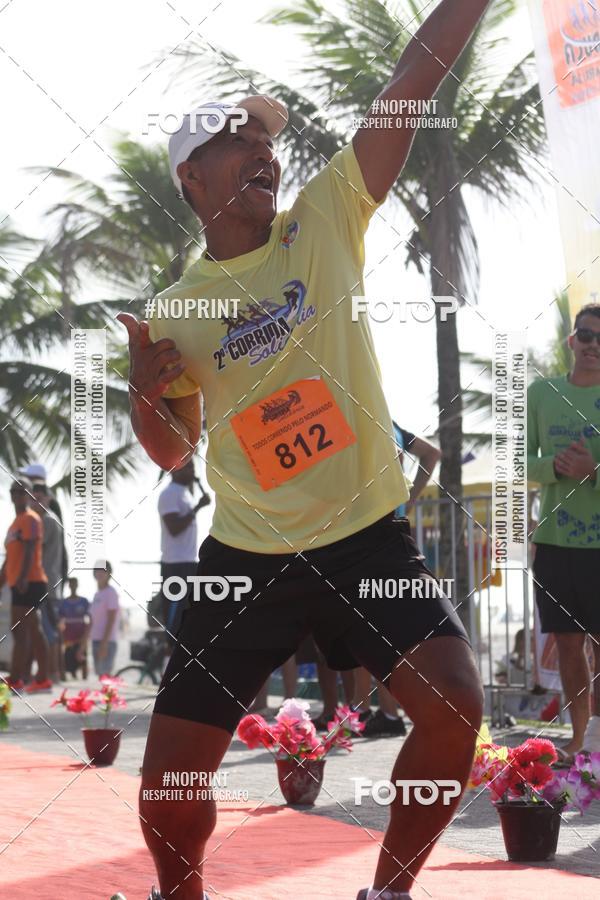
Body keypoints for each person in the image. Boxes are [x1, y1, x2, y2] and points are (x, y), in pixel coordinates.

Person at [119, 5, 488, 897]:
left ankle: (389, 889)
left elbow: (411, 85)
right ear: (193, 182)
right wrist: (142, 390)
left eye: (266, 138)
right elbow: (172, 451)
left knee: (456, 712)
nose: (263, 148)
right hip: (247, 558)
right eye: (235, 140)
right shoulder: (174, 311)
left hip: (364, 535)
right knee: (168, 786)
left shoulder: (322, 219)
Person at [528, 303, 600, 763]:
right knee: (570, 645)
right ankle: (579, 741)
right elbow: (514, 459)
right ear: (572, 341)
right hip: (554, 542)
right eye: (587, 335)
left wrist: (593, 470)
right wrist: (552, 466)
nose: (594, 345)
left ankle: (597, 741)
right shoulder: (540, 393)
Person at [354, 424, 442, 737]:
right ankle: (368, 710)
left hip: (371, 534)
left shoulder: (364, 420)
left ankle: (382, 713)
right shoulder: (392, 423)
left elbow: (432, 454)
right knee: (379, 628)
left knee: (373, 628)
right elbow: (432, 454)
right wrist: (411, 497)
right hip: (392, 531)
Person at [0, 477, 51, 692]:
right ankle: (16, 677)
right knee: (18, 630)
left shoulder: (31, 519)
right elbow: (9, 558)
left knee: (33, 628)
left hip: (31, 581)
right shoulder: (14, 523)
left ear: (29, 495)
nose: (16, 495)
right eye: (13, 491)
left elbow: (30, 550)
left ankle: (42, 678)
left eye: (21, 492)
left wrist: (21, 577)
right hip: (17, 583)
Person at [157, 459, 210, 639]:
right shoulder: (169, 494)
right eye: (189, 467)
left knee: (188, 619)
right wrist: (198, 508)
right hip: (175, 566)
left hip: (188, 563)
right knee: (174, 623)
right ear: (175, 470)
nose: (193, 471)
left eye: (193, 467)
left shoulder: (184, 493)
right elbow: (174, 529)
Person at [31, 483, 64, 683]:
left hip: (47, 584)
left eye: (38, 498)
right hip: (49, 583)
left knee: (48, 631)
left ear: (47, 499)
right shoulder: (49, 519)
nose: (35, 502)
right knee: (51, 630)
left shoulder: (48, 521)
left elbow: (35, 549)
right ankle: (55, 673)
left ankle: (51, 674)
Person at [90, 562, 120, 676]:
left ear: (109, 573)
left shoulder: (111, 592)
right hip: (95, 640)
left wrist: (104, 643)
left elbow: (111, 619)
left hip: (107, 641)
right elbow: (92, 620)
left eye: (103, 570)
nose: (100, 573)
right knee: (100, 675)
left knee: (105, 676)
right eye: (97, 570)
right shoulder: (97, 594)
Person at [58, 577, 90, 679]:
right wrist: (62, 635)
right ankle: (72, 676)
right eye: (71, 584)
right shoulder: (64, 602)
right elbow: (60, 620)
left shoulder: (84, 601)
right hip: (68, 635)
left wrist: (86, 635)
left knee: (83, 658)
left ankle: (85, 679)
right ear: (69, 586)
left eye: (75, 584)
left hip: (81, 634)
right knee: (69, 658)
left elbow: (90, 619)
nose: (73, 586)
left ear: (77, 585)